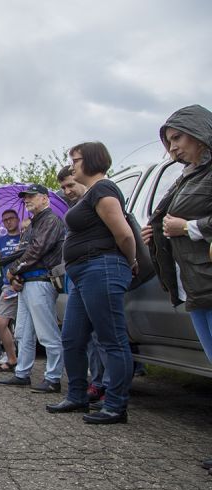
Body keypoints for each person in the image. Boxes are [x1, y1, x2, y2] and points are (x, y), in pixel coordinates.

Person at [45, 142, 137, 425]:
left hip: (102, 267)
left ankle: (116, 405)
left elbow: (124, 235)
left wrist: (129, 261)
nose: (71, 165)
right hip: (83, 273)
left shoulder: (103, 189)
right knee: (72, 338)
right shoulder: (89, 195)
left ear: (92, 160)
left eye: (75, 159)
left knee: (112, 338)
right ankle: (77, 395)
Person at [142, 105, 212, 470]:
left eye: (177, 138)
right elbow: (167, 219)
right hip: (196, 284)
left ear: (200, 133)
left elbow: (188, 223)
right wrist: (156, 234)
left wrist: (189, 228)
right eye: (168, 142)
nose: (172, 148)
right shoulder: (188, 176)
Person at [0, 184, 66, 393]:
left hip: (41, 281)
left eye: (32, 196)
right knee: (22, 332)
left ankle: (53, 378)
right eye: (25, 197)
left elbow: (37, 250)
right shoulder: (33, 225)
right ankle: (22, 373)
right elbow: (22, 252)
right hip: (26, 283)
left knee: (47, 333)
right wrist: (15, 276)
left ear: (45, 198)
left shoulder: (51, 220)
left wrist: (13, 270)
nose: (27, 200)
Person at [57, 165, 109, 402]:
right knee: (77, 337)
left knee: (101, 335)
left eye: (70, 185)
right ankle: (90, 385)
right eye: (63, 187)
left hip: (95, 271)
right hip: (75, 276)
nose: (67, 191)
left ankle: (107, 388)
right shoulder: (73, 210)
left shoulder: (99, 200)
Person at [0, 210, 21, 373]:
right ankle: (12, 358)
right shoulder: (0, 241)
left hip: (26, 283)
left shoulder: (25, 237)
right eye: (5, 220)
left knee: (24, 327)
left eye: (11, 218)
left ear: (18, 219)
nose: (8, 222)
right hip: (8, 285)